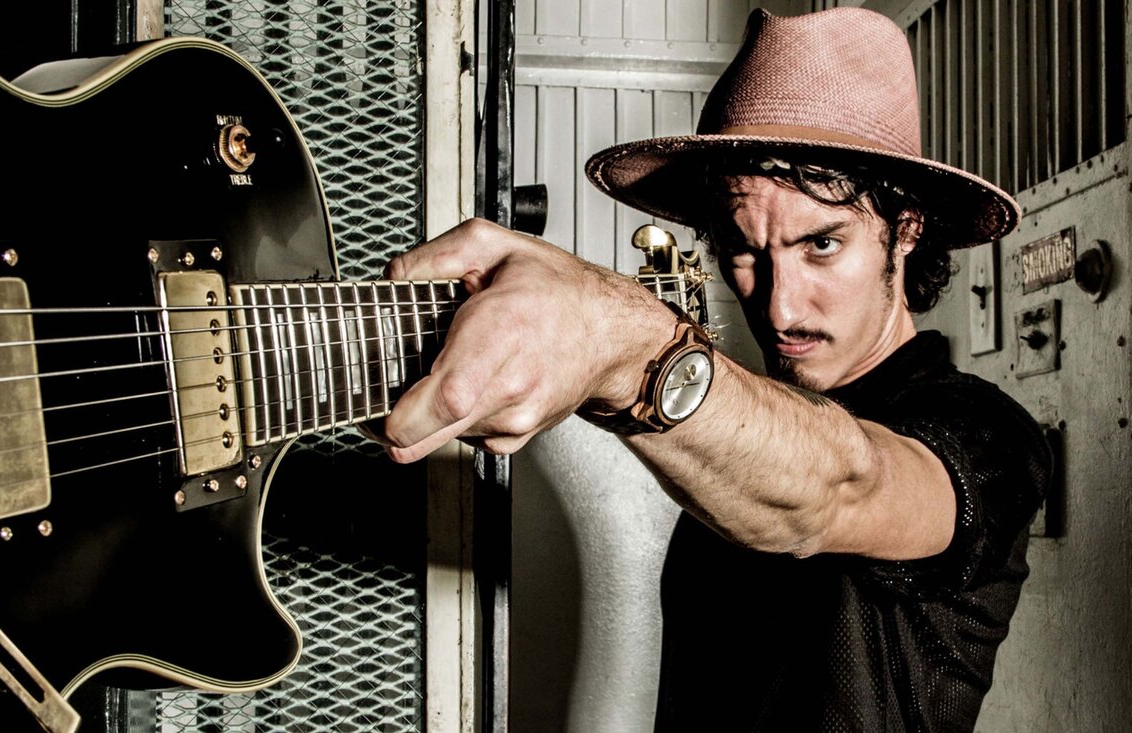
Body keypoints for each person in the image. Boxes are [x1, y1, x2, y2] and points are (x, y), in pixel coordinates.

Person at [374, 7, 1051, 731]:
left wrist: (624, 342)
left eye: (821, 245)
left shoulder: (988, 437)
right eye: (744, 250)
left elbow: (842, 486)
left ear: (906, 228)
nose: (781, 305)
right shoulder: (736, 428)